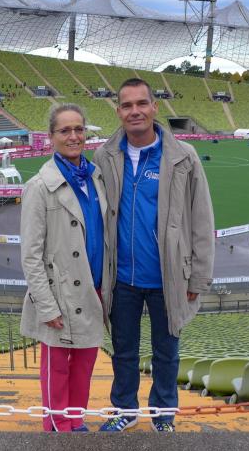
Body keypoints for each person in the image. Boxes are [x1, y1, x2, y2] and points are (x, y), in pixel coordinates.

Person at [93, 78, 215, 432]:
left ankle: (163, 415)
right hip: (122, 277)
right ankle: (125, 410)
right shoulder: (104, 156)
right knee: (123, 352)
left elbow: (201, 218)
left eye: (141, 103)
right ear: (118, 111)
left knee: (167, 354)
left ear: (154, 107)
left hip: (169, 276)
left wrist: (198, 277)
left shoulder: (183, 157)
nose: (135, 111)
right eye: (127, 105)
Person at [20, 103, 109, 432]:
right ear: (51, 137)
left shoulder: (96, 178)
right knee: (56, 369)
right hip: (59, 296)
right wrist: (46, 305)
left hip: (92, 290)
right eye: (65, 130)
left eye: (79, 129)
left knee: (84, 366)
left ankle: (76, 420)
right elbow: (30, 254)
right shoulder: (39, 187)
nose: (74, 136)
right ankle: (57, 428)